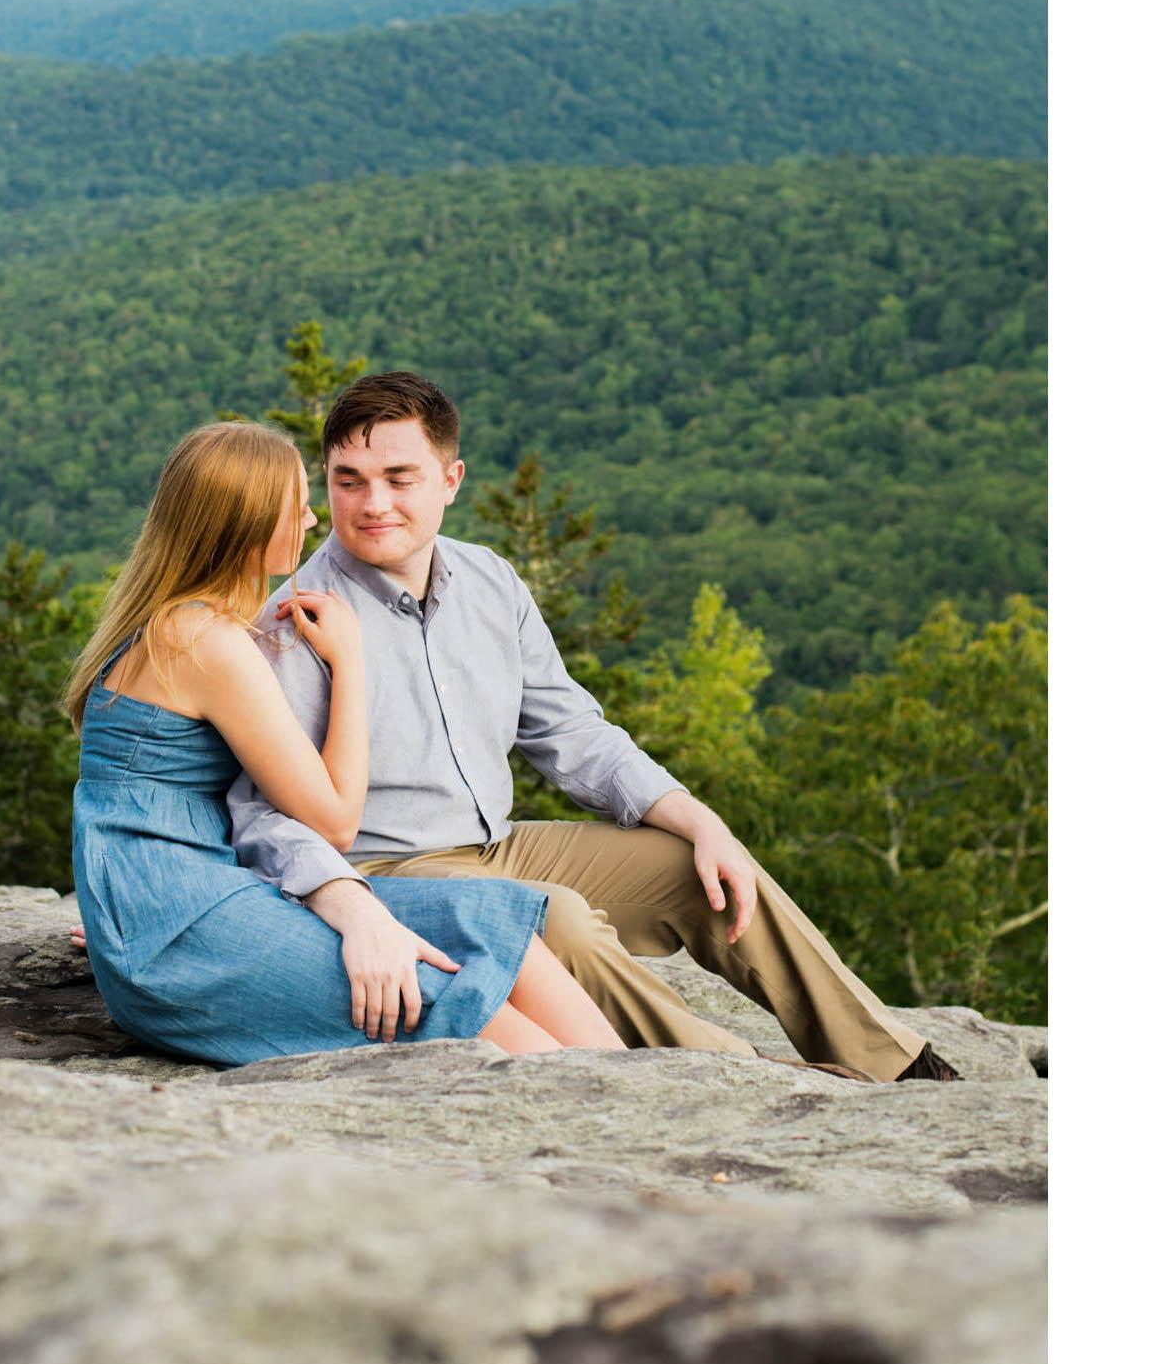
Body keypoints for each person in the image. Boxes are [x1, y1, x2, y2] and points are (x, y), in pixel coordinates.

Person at [225, 372, 963, 1084]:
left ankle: (888, 1059)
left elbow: (571, 732)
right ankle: (743, 1075)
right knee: (564, 920)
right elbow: (260, 815)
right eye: (348, 480)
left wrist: (701, 819)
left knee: (701, 866)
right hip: (396, 871)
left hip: (500, 845)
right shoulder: (296, 623)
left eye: (398, 477)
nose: (371, 503)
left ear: (451, 480)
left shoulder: (491, 581)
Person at [62, 419, 631, 1066]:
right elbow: (333, 820)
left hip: (192, 898)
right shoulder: (208, 643)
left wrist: (127, 902)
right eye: (294, 505)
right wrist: (351, 660)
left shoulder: (176, 625)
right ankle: (605, 1106)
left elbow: (143, 817)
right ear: (247, 523)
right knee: (448, 1001)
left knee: (492, 920)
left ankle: (634, 1088)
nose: (310, 520)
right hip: (183, 931)